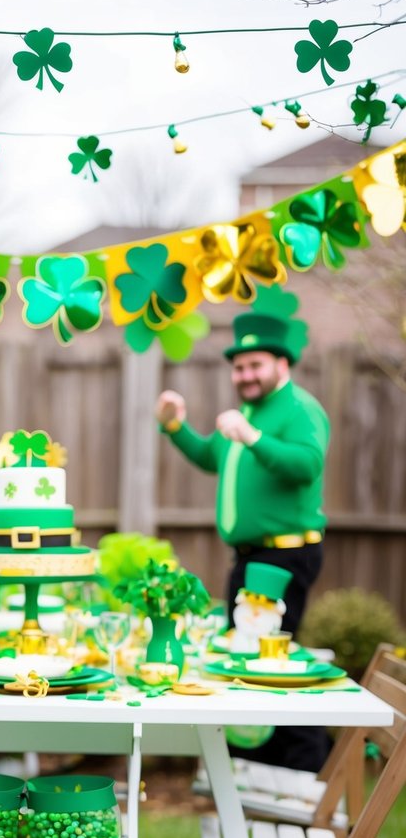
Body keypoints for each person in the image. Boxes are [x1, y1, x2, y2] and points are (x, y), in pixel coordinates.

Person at [155, 311, 331, 771]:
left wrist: (252, 437)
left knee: (270, 659)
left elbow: (306, 465)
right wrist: (175, 427)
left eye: (256, 365)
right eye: (239, 366)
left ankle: (305, 765)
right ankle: (261, 765)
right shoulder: (247, 413)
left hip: (285, 556)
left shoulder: (299, 409)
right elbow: (212, 456)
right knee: (248, 658)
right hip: (251, 558)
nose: (245, 375)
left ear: (282, 365)